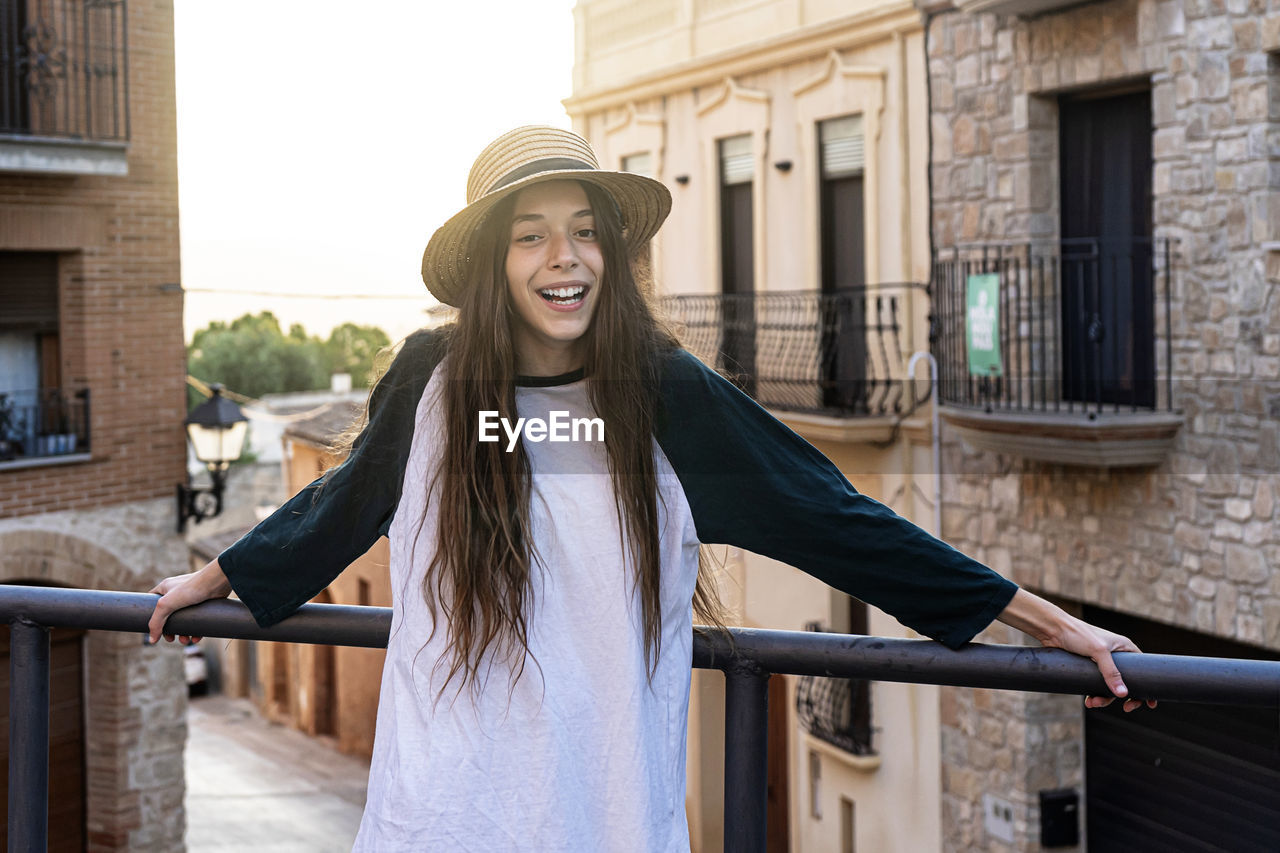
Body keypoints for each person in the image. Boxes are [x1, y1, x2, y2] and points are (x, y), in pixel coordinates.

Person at [150, 126, 1150, 851]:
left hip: (606, 818)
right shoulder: (433, 377)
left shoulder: (662, 393)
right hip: (442, 814)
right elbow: (347, 500)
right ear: (493, 262)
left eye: (584, 232)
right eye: (530, 235)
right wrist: (221, 575)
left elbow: (839, 521)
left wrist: (1052, 626)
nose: (564, 259)